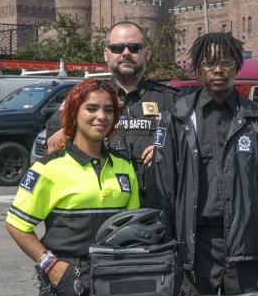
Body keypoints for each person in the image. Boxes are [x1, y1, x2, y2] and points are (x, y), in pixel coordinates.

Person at [147, 32, 258, 296]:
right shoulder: (178, 118)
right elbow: (162, 190)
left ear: (237, 66)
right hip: (196, 251)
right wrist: (168, 253)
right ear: (198, 68)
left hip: (246, 250)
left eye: (225, 62)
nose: (218, 70)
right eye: (209, 63)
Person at [6, 78, 139, 296]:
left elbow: (132, 228)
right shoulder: (49, 168)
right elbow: (17, 224)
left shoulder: (125, 167)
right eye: (91, 108)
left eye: (108, 110)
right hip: (68, 285)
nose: (101, 116)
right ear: (74, 113)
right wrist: (50, 265)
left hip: (114, 284)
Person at [46, 21, 181, 203]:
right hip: (98, 205)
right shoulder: (82, 98)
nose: (126, 53)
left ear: (146, 53)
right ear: (106, 54)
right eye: (117, 48)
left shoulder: (171, 100)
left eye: (134, 47)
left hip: (152, 208)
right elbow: (54, 146)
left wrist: (167, 151)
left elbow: (191, 153)